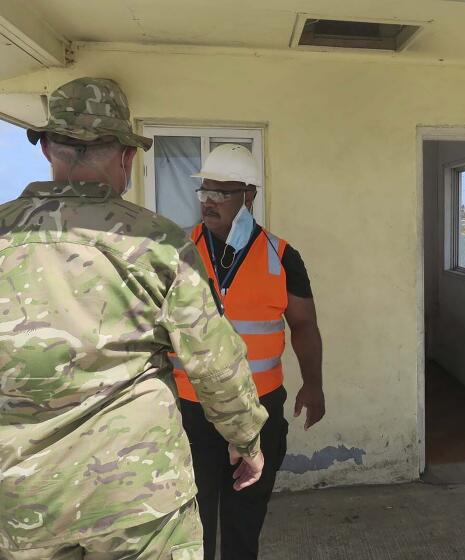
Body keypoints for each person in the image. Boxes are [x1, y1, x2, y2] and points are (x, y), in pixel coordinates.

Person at [0, 78, 267, 559]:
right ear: (125, 156)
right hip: (138, 498)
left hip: (23, 502)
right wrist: (245, 438)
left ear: (45, 149)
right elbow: (213, 360)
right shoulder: (156, 242)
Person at [173, 144, 326, 560]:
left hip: (259, 409)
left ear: (249, 196)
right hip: (191, 408)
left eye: (222, 193)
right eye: (205, 191)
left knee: (244, 519)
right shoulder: (176, 251)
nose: (209, 200)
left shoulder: (282, 257)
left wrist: (314, 384)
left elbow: (304, 325)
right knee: (192, 524)